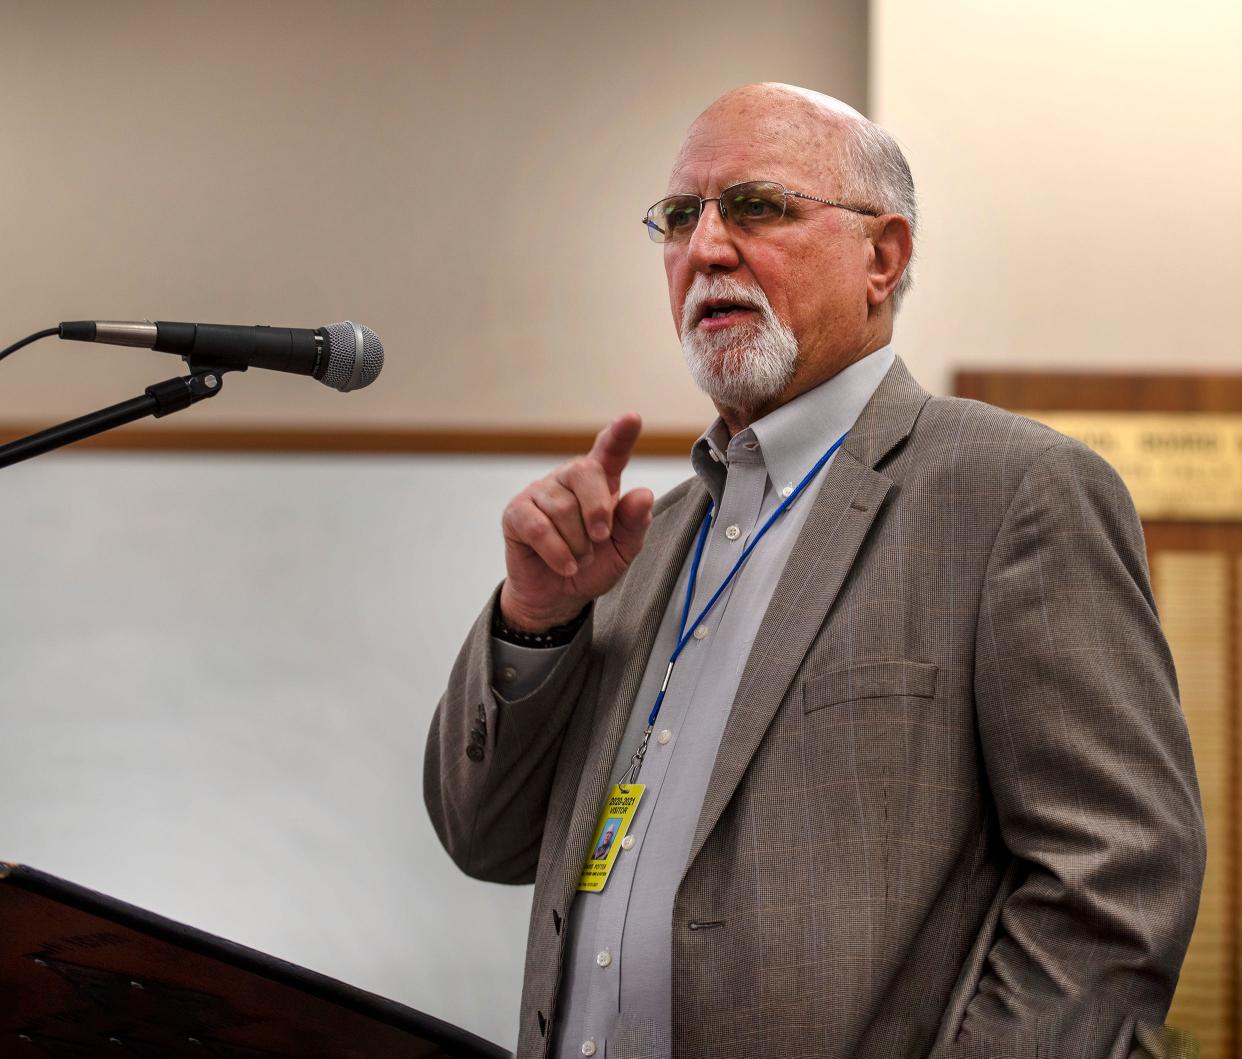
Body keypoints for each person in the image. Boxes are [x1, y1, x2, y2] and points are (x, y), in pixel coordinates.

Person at [425, 83, 1205, 1059]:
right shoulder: (638, 541)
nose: (705, 250)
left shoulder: (1014, 495)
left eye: (755, 206)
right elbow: (483, 838)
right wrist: (535, 623)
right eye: (679, 218)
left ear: (883, 258)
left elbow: (1118, 875)